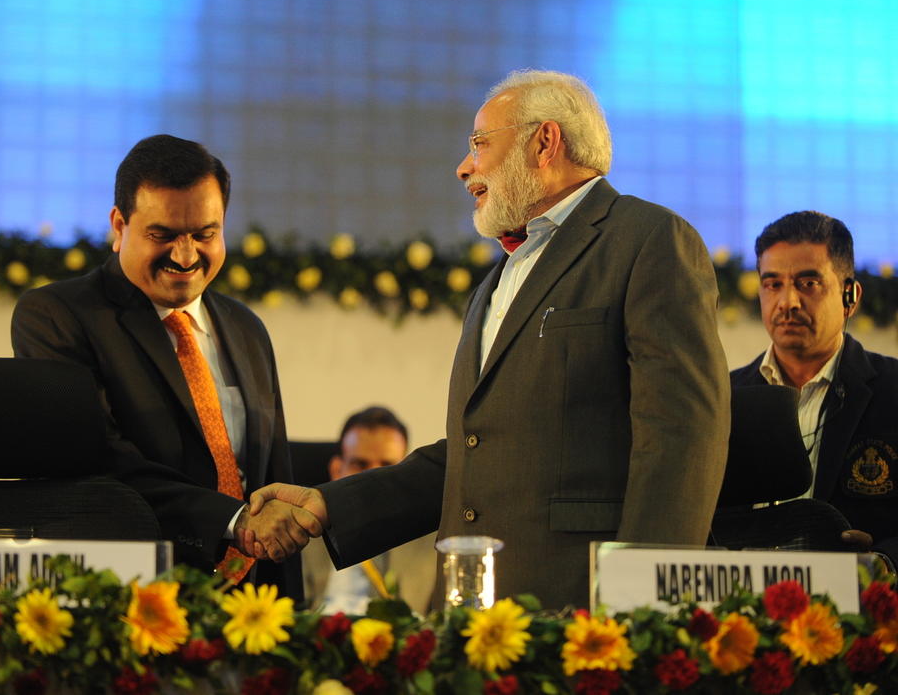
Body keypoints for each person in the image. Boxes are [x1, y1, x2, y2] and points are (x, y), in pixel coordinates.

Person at [251, 70, 731, 610]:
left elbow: (682, 435)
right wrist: (326, 504)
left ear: (544, 142)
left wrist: (647, 603)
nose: (464, 168)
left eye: (480, 144)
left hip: (581, 606)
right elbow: (474, 455)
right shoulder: (495, 283)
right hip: (469, 613)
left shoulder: (647, 241)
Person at [11, 134, 319, 599]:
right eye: (163, 235)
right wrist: (233, 521)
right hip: (124, 602)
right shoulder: (57, 316)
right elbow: (95, 460)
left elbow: (274, 476)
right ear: (119, 225)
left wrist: (290, 615)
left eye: (204, 234)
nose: (185, 255)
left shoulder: (246, 328)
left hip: (249, 611)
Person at [730, 211, 898, 564]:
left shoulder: (892, 390)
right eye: (772, 284)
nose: (787, 302)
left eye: (808, 283)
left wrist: (885, 561)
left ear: (849, 295)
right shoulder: (725, 396)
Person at [301, 406, 437, 615]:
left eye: (387, 466)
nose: (373, 479)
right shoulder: (303, 531)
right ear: (337, 470)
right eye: (360, 464)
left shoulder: (435, 540)